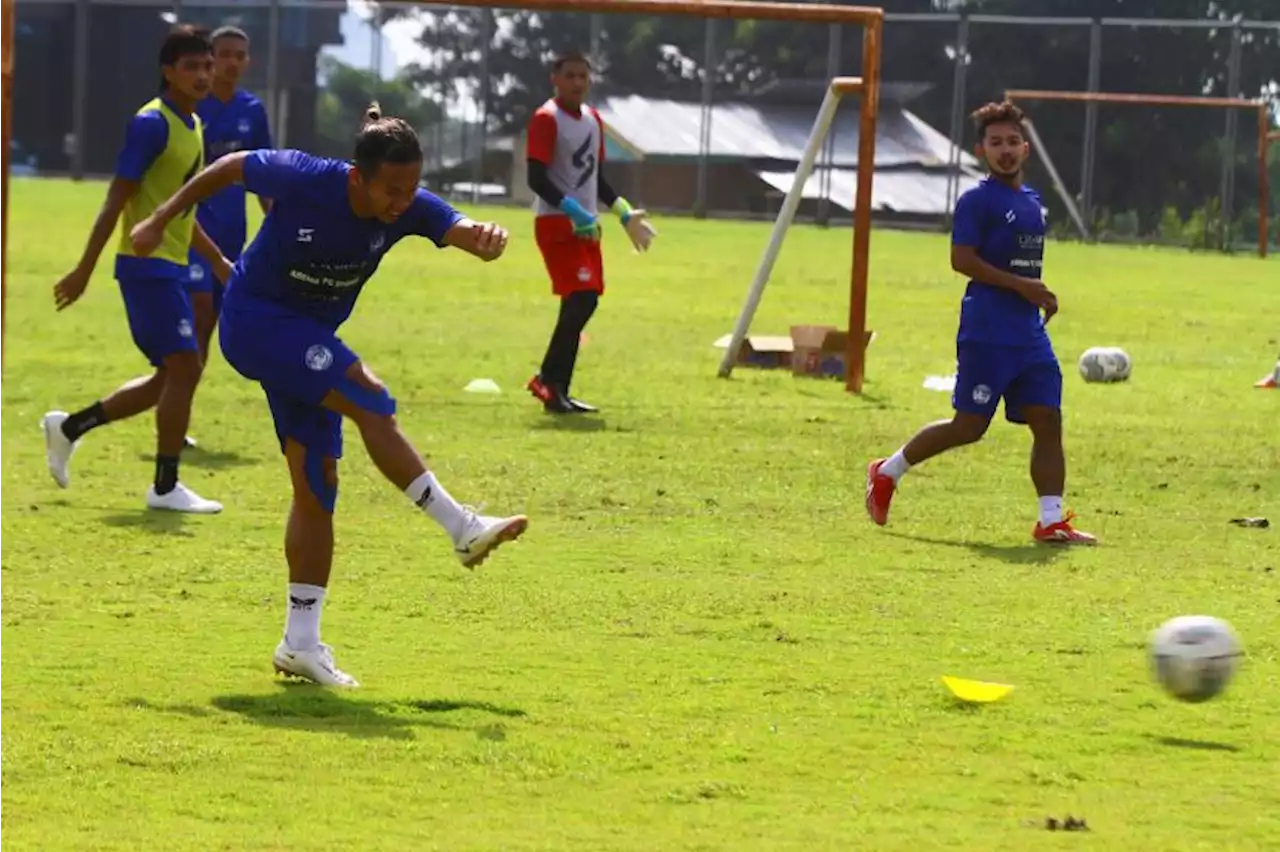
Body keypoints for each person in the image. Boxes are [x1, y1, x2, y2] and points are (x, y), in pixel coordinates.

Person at [129, 102, 529, 687]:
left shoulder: (406, 205)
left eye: (411, 188)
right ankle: (460, 527)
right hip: (255, 321)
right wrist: (161, 218)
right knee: (369, 395)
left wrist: (487, 237)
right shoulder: (306, 175)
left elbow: (460, 228)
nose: (401, 202)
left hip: (307, 337)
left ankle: (300, 643)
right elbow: (232, 165)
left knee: (317, 484)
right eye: (391, 189)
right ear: (355, 176)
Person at [864, 100, 1096, 546]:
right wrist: (1023, 287)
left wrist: (1036, 293)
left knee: (1048, 419)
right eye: (996, 143)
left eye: (1012, 141)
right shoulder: (977, 200)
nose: (1005, 150)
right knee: (968, 427)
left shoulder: (1032, 203)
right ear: (981, 150)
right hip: (987, 332)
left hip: (1028, 334)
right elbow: (961, 260)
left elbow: (1023, 270)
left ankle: (1051, 521)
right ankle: (887, 471)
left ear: (1025, 149)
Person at [42, 24, 228, 514]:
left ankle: (69, 428)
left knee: (169, 377)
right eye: (192, 66)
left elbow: (178, 210)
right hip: (146, 268)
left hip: (170, 264)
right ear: (168, 72)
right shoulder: (152, 124)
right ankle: (165, 488)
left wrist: (217, 261)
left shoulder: (193, 125)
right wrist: (84, 269)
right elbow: (115, 201)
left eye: (207, 65)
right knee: (184, 367)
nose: (203, 75)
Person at [524, 50, 656, 415]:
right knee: (581, 298)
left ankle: (555, 388)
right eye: (570, 76)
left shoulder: (593, 120)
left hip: (586, 226)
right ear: (555, 78)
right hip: (556, 224)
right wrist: (573, 211)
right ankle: (549, 382)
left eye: (583, 76)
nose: (577, 83)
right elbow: (536, 177)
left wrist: (623, 212)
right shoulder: (545, 119)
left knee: (585, 300)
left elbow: (596, 178)